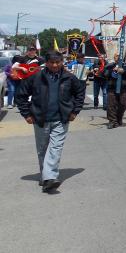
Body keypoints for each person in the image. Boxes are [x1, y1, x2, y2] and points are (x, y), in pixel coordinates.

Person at [15, 50, 85, 192]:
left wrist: (74, 111)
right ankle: (45, 176)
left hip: (61, 119)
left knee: (55, 148)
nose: (54, 65)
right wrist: (26, 114)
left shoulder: (69, 78)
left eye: (57, 62)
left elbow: (80, 93)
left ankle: (50, 177)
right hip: (40, 119)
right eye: (51, 62)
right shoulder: (35, 77)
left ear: (62, 62)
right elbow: (20, 95)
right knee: (42, 149)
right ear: (46, 63)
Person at [103, 53, 126, 129]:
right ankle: (112, 121)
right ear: (114, 57)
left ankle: (118, 118)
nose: (118, 57)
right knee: (111, 105)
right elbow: (105, 74)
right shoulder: (110, 66)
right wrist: (111, 71)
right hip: (112, 88)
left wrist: (124, 71)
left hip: (122, 89)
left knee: (123, 104)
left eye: (119, 56)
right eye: (116, 56)